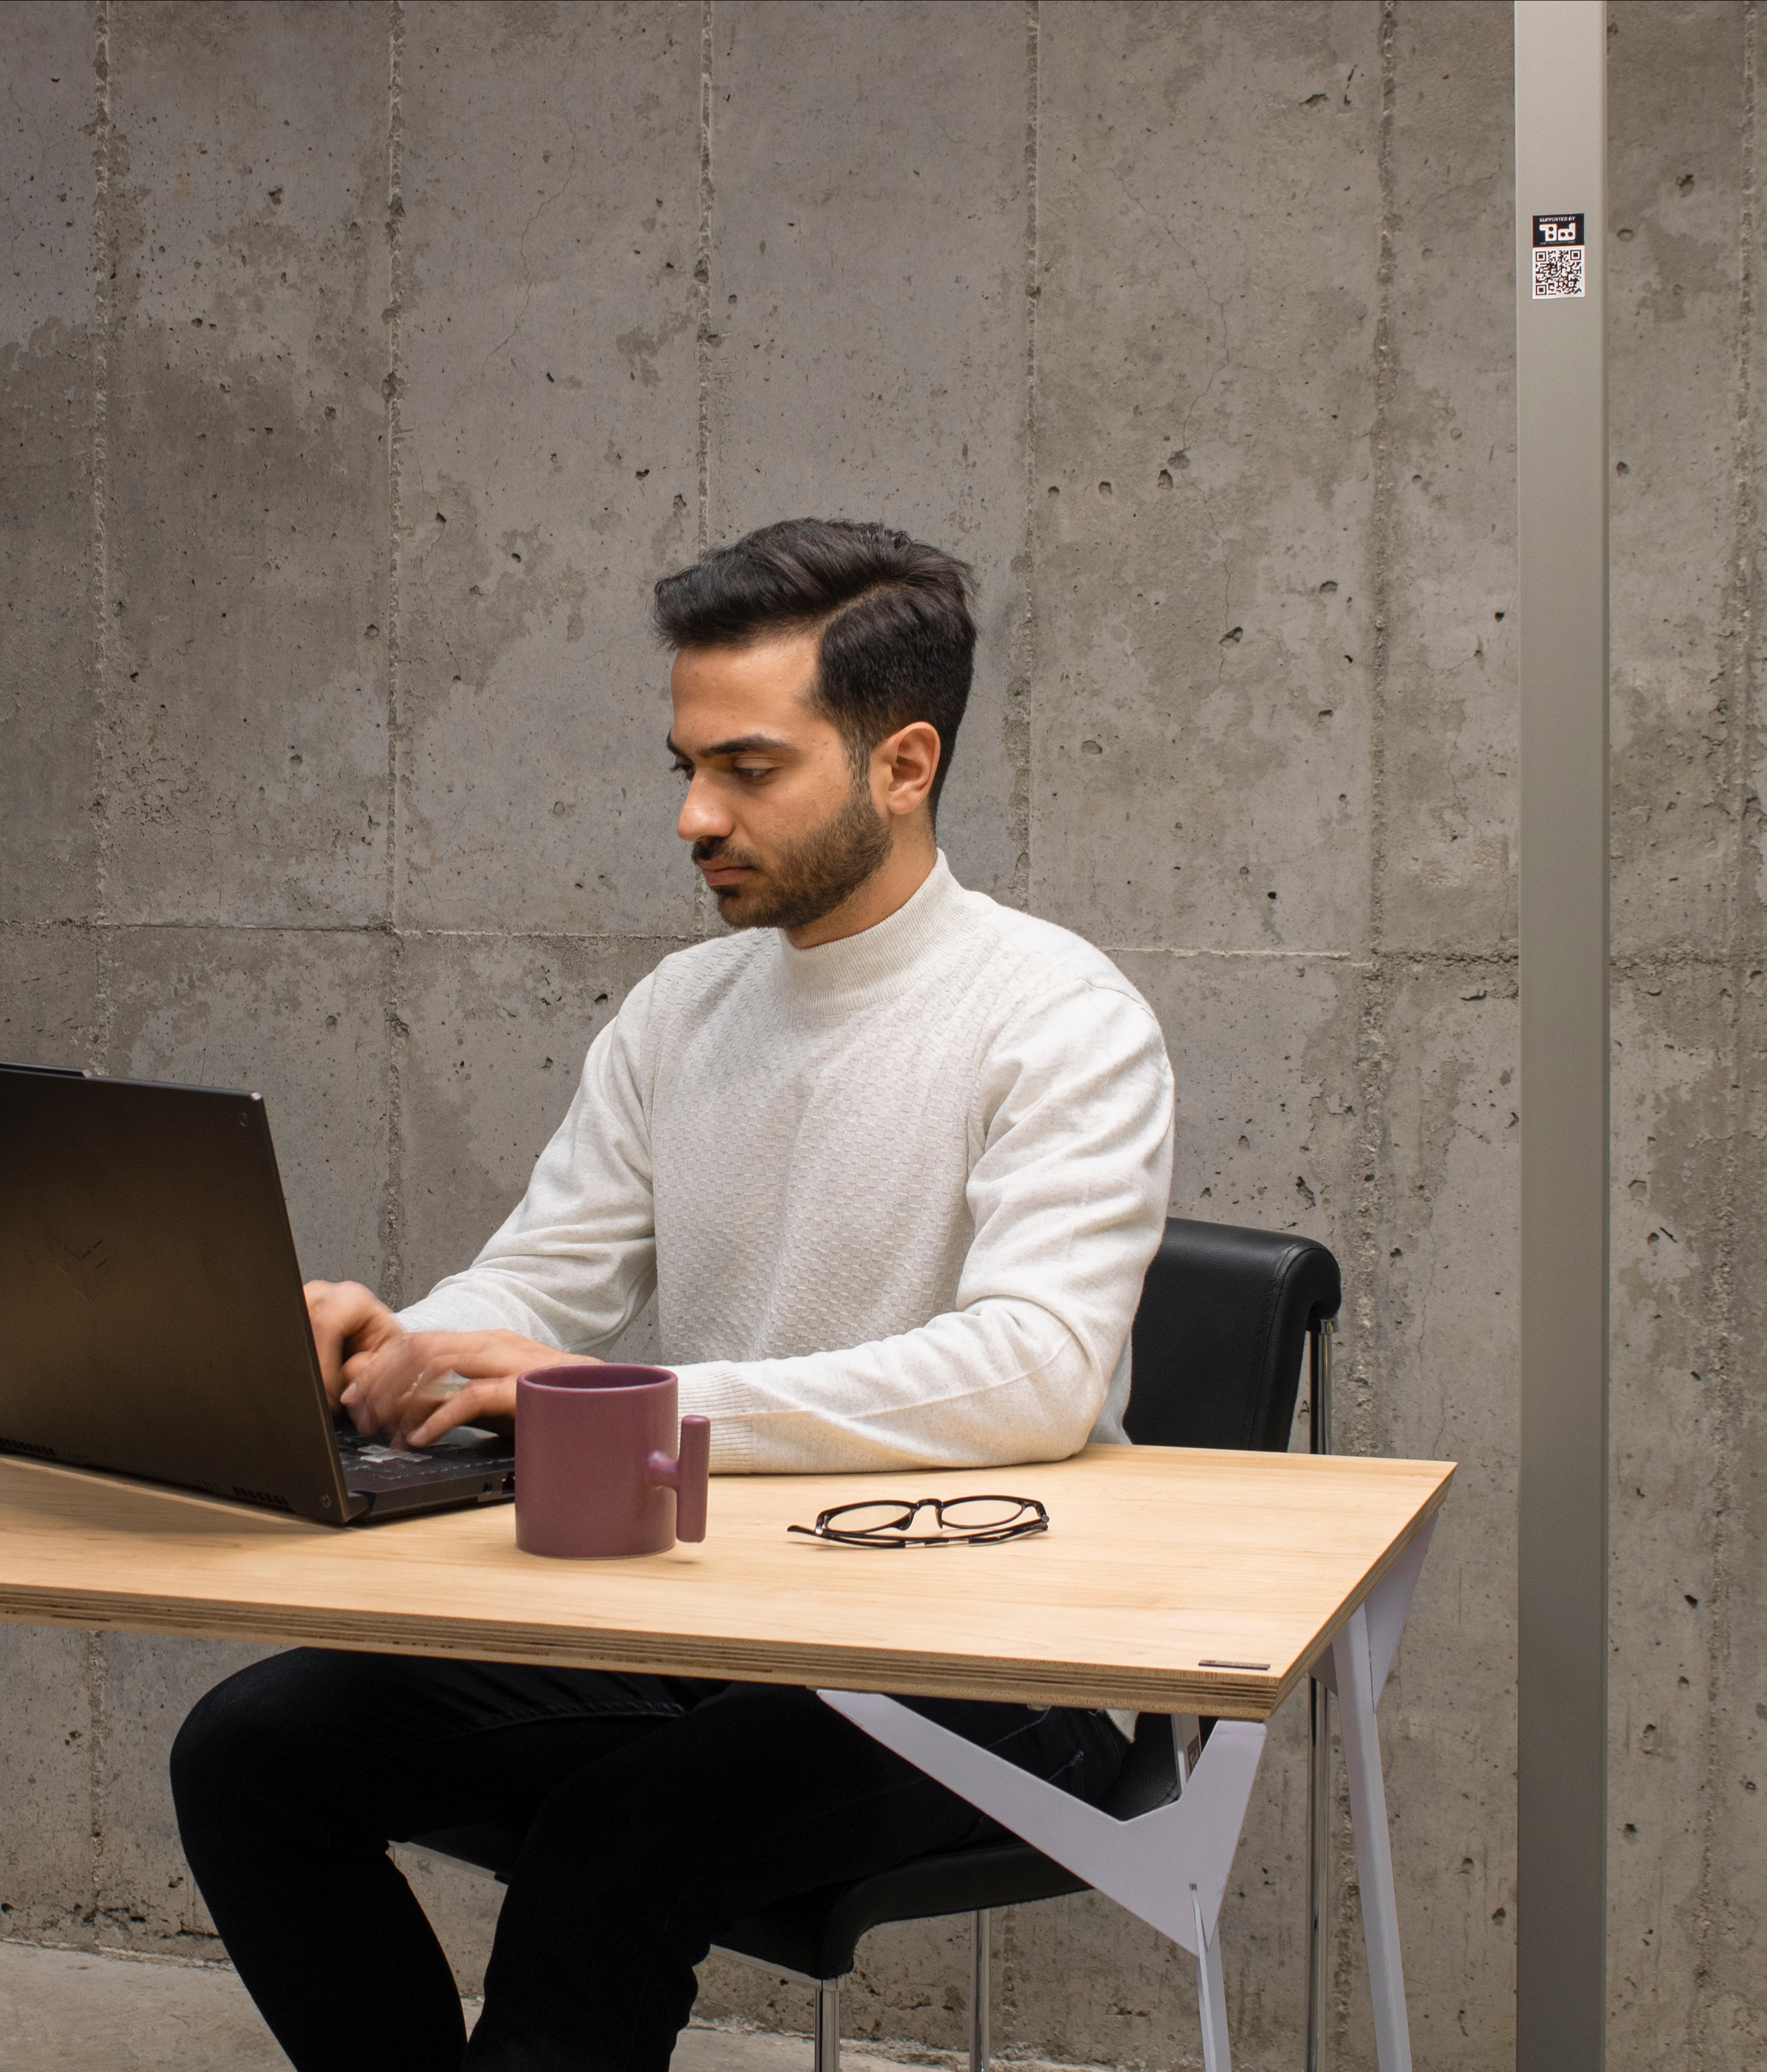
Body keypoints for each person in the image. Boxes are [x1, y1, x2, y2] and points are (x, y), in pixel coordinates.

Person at [168, 518, 1176, 2072]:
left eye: (750, 770)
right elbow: (547, 1279)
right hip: (713, 1619)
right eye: (683, 767)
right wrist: (407, 1344)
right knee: (250, 1750)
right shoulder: (683, 1007)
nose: (696, 815)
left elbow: (1033, 1372)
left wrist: (625, 1407)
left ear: (902, 764)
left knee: (615, 1840)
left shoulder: (1056, 1018)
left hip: (985, 1663)